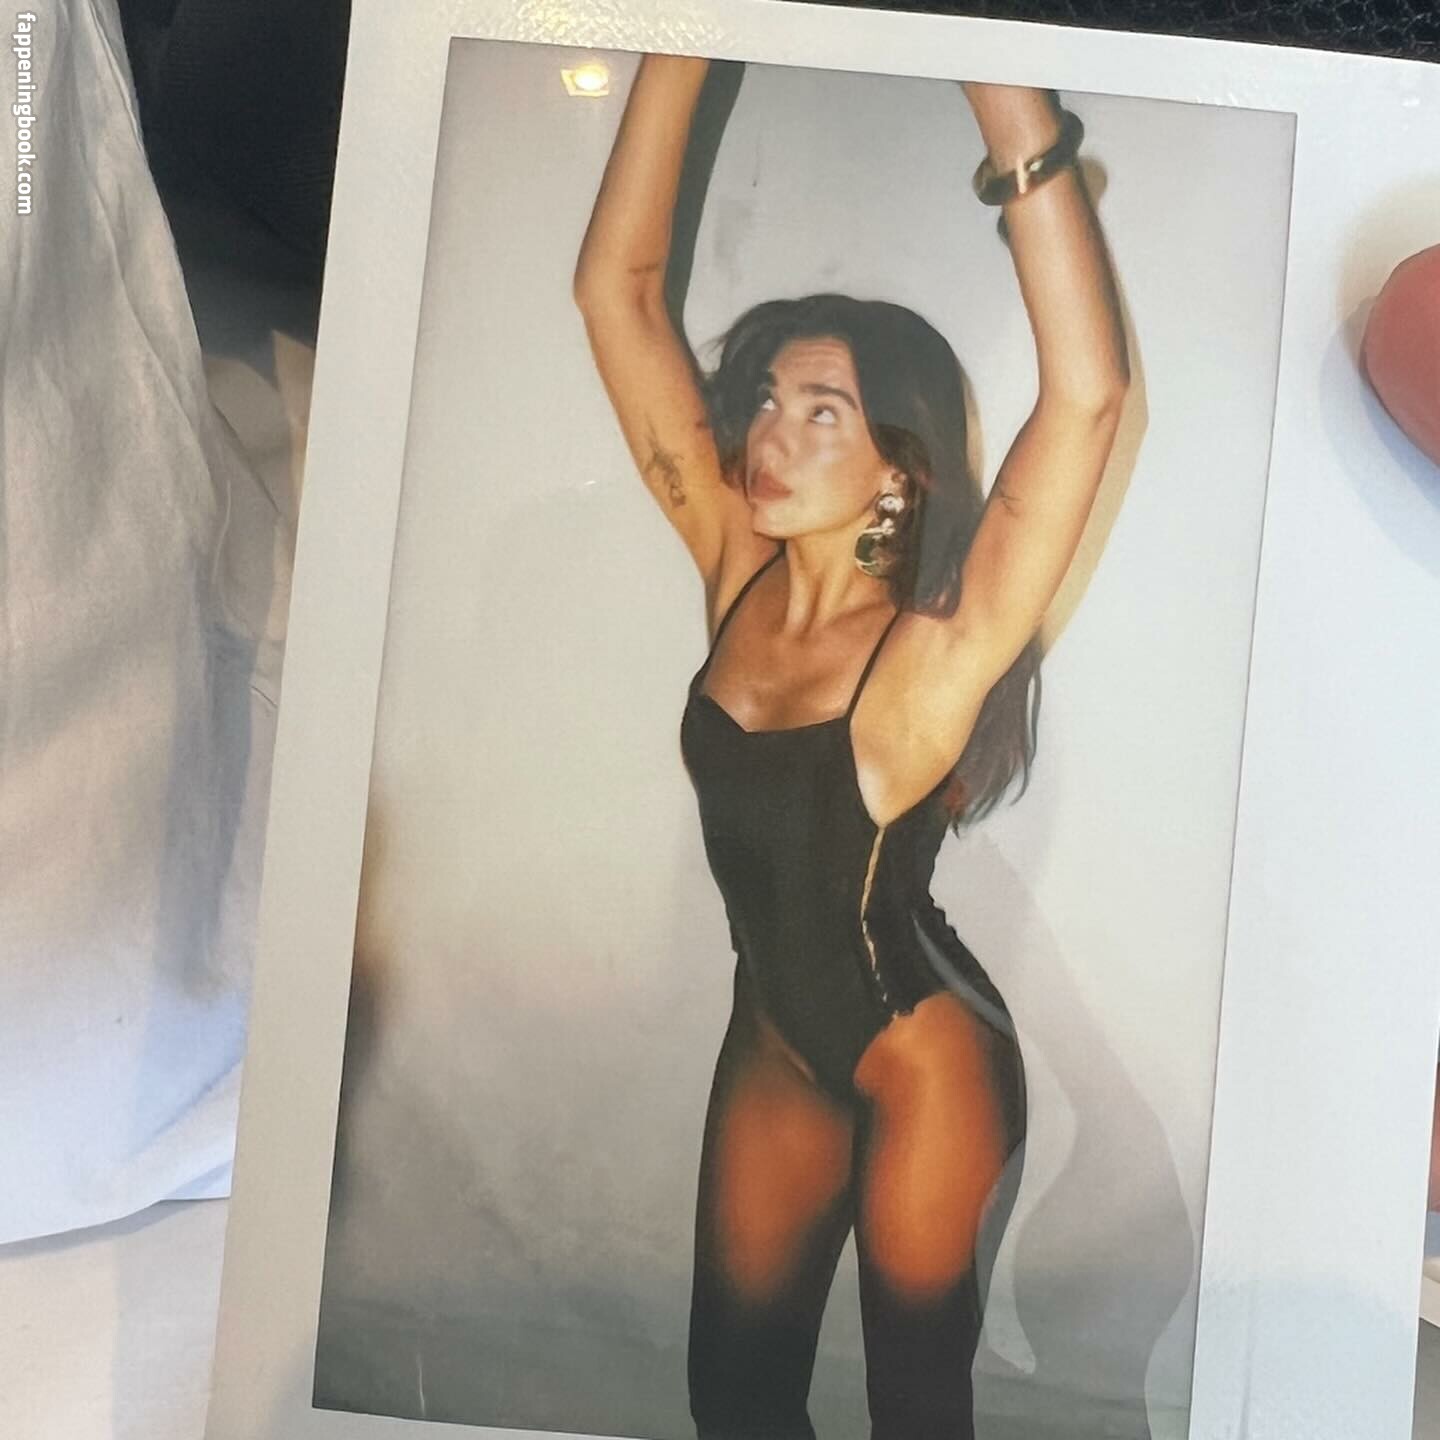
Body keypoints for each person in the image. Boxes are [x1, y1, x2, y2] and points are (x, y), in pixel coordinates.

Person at [573, 55, 1128, 1440]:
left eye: (821, 411)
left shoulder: (934, 649)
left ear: (898, 461)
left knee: (914, 1413)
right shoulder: (735, 569)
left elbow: (1087, 399)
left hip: (920, 1063)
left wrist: (1013, 115)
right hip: (772, 1041)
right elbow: (615, 295)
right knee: (734, 1403)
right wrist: (680, 40)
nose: (769, 433)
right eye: (767, 398)